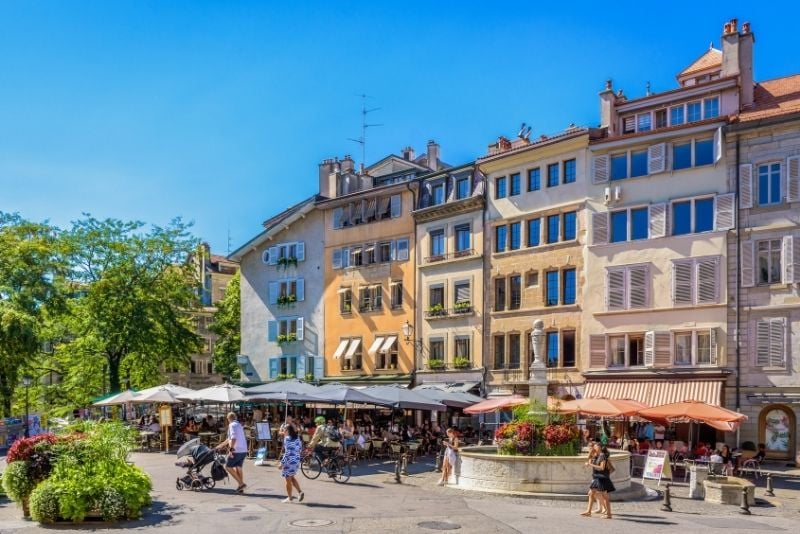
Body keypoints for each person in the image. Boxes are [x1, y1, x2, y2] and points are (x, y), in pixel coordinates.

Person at [215, 412, 248, 493]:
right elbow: (229, 439)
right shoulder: (239, 425)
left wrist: (231, 449)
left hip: (236, 450)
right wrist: (220, 445)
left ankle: (241, 483)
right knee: (238, 467)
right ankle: (241, 488)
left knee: (228, 467)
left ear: (228, 419)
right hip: (243, 450)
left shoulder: (232, 425)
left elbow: (233, 438)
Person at [581, 442, 614, 519]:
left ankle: (609, 514)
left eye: (595, 446)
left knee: (605, 496)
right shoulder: (597, 455)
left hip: (602, 478)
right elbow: (589, 460)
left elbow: (602, 468)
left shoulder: (602, 456)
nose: (594, 447)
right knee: (591, 493)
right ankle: (588, 511)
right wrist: (590, 453)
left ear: (599, 447)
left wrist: (590, 465)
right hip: (597, 477)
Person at [279, 423, 304, 503]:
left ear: (287, 431)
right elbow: (300, 449)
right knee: (292, 477)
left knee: (288, 480)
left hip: (289, 461)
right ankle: (300, 492)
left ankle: (290, 498)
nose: (283, 431)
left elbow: (288, 452)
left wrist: (282, 463)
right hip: (296, 460)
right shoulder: (297, 438)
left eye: (284, 430)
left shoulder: (287, 439)